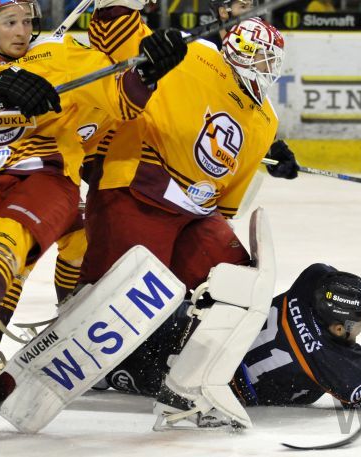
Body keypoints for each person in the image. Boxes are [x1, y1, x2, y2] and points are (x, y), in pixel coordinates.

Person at [0, 0, 187, 438]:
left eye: (28, 21)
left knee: (13, 240)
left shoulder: (61, 56)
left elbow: (123, 101)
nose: (21, 31)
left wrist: (148, 74)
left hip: (47, 182)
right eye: (10, 22)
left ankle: (53, 313)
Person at [78, 12, 283, 294]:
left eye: (273, 60)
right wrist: (117, 10)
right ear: (243, 51)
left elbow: (226, 202)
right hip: (139, 191)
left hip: (198, 215)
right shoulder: (192, 52)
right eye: (265, 56)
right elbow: (117, 38)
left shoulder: (267, 119)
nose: (270, 67)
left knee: (235, 289)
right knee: (121, 293)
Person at [98, 263, 361, 413]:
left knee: (142, 329)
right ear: (338, 327)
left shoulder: (311, 282)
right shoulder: (342, 366)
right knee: (114, 371)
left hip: (197, 330)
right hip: (194, 379)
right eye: (359, 324)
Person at [207, 0, 300, 180]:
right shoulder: (201, 49)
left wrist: (272, 148)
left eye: (252, 6)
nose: (252, 12)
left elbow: (247, 106)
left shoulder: (255, 49)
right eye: (243, 7)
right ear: (223, 12)